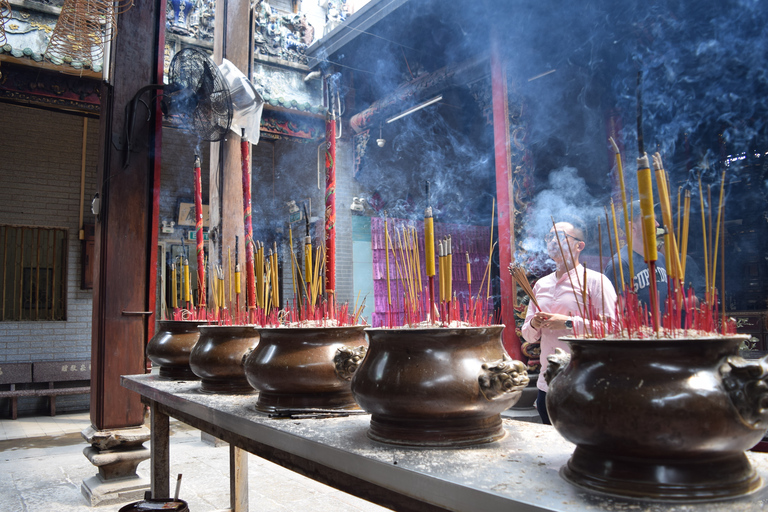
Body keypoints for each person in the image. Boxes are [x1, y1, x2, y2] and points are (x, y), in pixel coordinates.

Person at [520, 220, 617, 425]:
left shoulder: (596, 282)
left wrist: (569, 323)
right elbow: (528, 335)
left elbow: (613, 330)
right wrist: (535, 324)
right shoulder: (541, 285)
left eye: (560, 237)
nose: (552, 241)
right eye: (549, 237)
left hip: (583, 383)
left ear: (579, 246)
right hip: (547, 384)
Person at [604, 200, 668, 312]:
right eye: (650, 220)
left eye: (655, 219)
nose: (657, 224)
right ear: (632, 227)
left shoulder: (660, 257)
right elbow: (615, 312)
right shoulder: (619, 264)